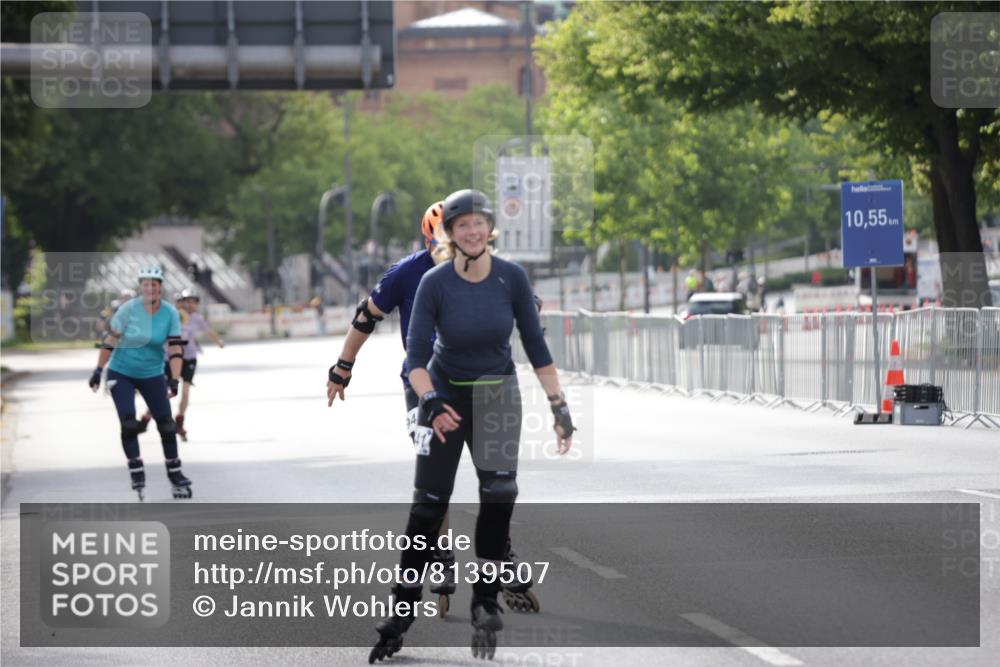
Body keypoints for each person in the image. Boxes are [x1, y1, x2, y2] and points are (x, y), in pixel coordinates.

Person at [368, 190, 576, 663]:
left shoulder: (511, 278)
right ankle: (400, 614)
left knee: (500, 494)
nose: (473, 231)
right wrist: (431, 399)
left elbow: (537, 348)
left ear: (489, 229)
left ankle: (485, 601)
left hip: (498, 394)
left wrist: (560, 408)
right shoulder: (434, 283)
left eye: (479, 223)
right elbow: (415, 358)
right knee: (427, 509)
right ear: (450, 234)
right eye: (463, 226)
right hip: (443, 397)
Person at [87, 266, 191, 500]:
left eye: (154, 284)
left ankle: (175, 473)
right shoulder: (127, 310)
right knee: (128, 423)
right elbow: (110, 339)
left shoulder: (169, 313)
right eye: (146, 284)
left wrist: (174, 379)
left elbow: (175, 347)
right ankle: (136, 469)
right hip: (121, 371)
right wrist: (98, 369)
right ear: (140, 287)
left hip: (152, 373)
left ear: (160, 287)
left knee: (166, 424)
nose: (150, 288)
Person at [141, 289, 224, 441]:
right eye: (187, 301)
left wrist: (218, 341)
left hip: (189, 358)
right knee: (163, 393)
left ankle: (179, 421)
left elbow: (208, 331)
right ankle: (146, 418)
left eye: (193, 302)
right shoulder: (170, 317)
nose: (190, 304)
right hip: (170, 359)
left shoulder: (197, 319)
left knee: (185, 391)